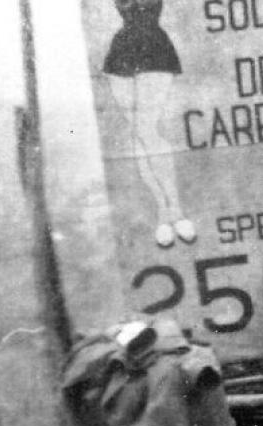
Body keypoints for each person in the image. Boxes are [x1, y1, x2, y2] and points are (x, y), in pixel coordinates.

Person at [105, 0, 196, 248]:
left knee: (147, 131)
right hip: (121, 52)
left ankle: (175, 211)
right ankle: (163, 213)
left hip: (155, 50)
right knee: (139, 135)